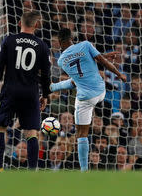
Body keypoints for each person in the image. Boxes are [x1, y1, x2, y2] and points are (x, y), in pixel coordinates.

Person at [50, 28, 127, 171]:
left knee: (81, 134)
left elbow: (76, 76)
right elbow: (99, 61)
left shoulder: (61, 61)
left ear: (59, 42)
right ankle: (54, 87)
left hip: (86, 98)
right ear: (72, 37)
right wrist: (119, 74)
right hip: (100, 91)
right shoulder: (86, 45)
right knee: (83, 80)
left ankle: (84, 171)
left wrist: (53, 87)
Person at [0, 11, 51, 170]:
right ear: (36, 25)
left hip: (10, 91)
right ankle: (32, 172)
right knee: (31, 133)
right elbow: (46, 75)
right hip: (31, 93)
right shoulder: (42, 45)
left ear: (19, 23)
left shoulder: (9, 40)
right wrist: (45, 95)